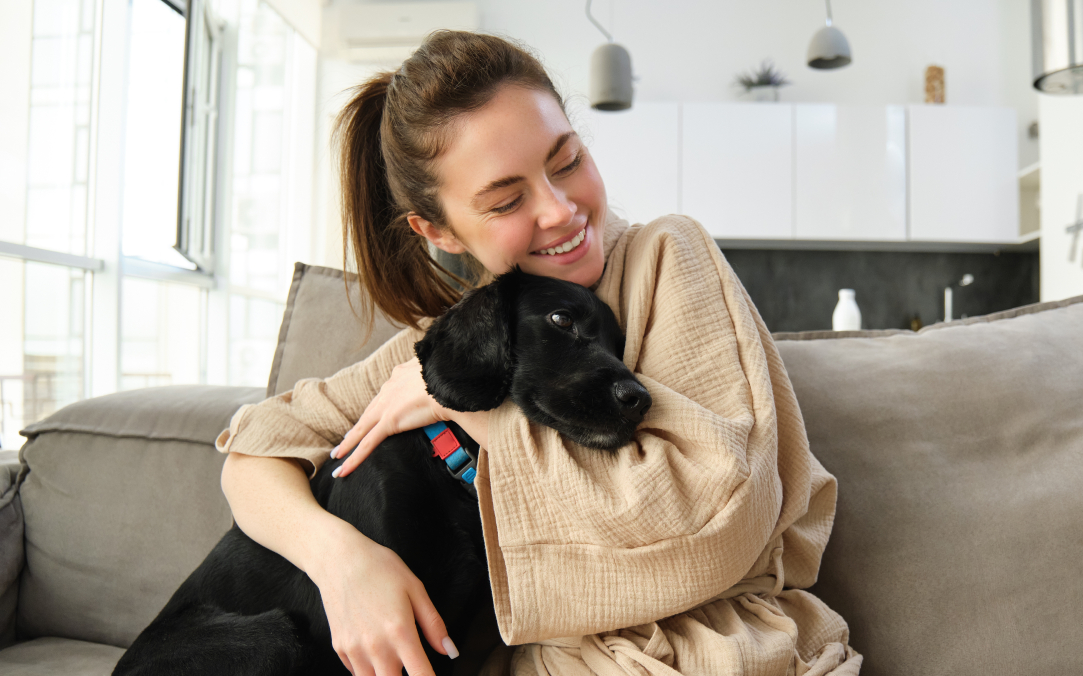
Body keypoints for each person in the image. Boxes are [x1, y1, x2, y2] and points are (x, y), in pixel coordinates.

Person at [216, 30, 860, 676]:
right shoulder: (459, 342)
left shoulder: (667, 258)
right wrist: (342, 563)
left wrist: (472, 410)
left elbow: (719, 519)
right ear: (436, 230)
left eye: (566, 161)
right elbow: (254, 447)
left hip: (724, 657)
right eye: (506, 200)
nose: (560, 209)